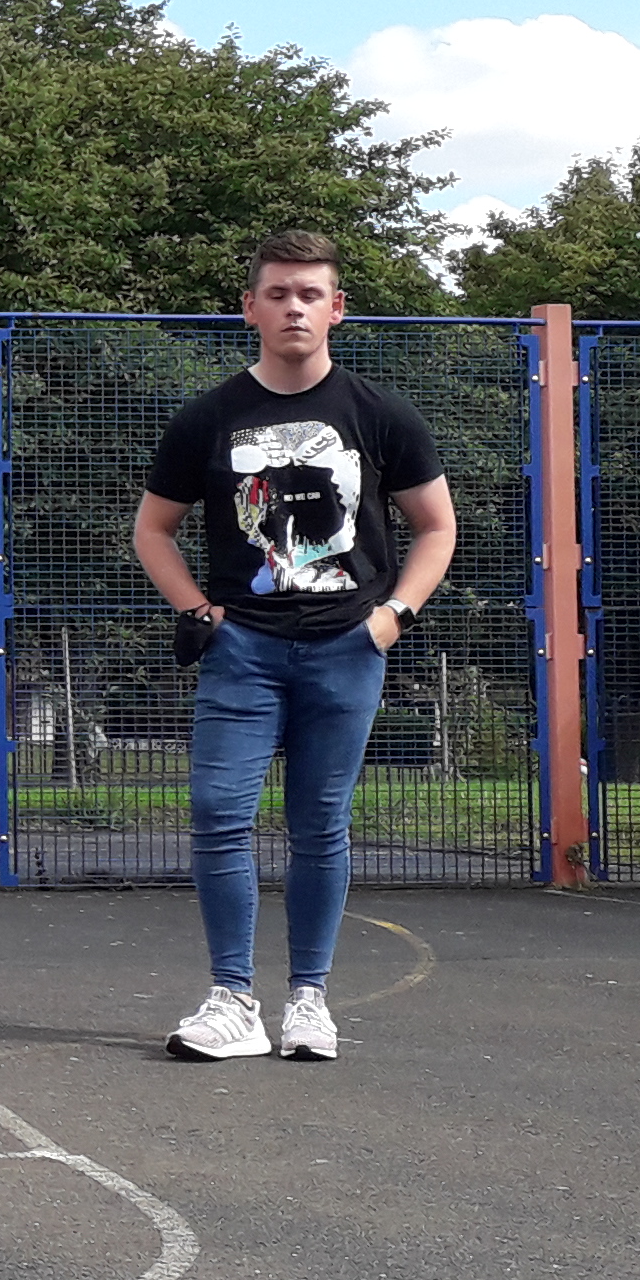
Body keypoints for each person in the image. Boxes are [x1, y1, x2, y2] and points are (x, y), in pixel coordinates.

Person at [132, 229, 456, 1064]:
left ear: (336, 309)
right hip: (243, 651)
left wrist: (393, 618)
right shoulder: (208, 417)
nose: (294, 307)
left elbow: (437, 527)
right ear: (250, 308)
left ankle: (308, 997)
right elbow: (153, 530)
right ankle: (233, 998)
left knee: (320, 822)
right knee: (217, 815)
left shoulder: (380, 414)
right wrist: (200, 610)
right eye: (277, 293)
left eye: (310, 294)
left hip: (349, 647)